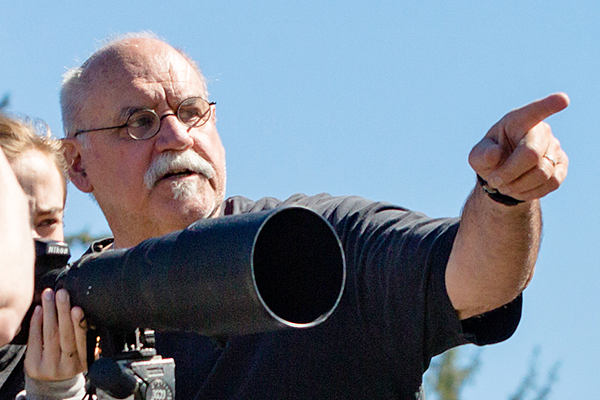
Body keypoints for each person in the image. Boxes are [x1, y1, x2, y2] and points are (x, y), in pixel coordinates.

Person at [41, 32, 568, 399]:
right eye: (141, 122)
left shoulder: (320, 245)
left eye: (192, 112)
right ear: (79, 165)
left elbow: (476, 280)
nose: (177, 137)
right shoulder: (53, 325)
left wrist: (504, 195)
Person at [0, 113, 87, 400]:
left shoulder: (83, 343)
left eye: (47, 222)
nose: (31, 241)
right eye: (10, 220)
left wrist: (61, 391)